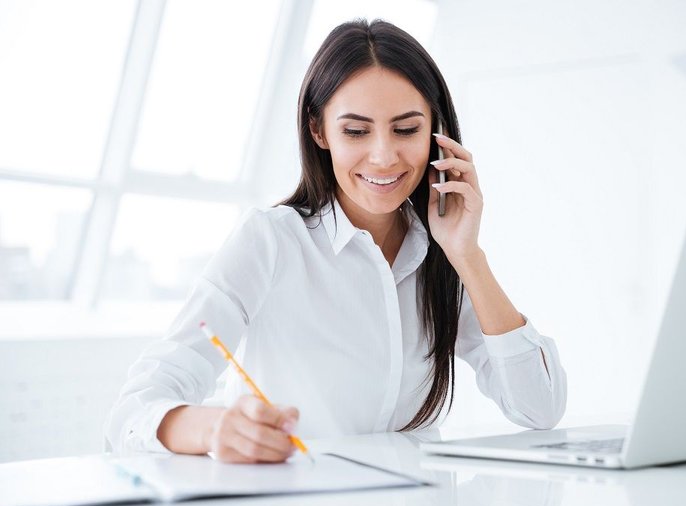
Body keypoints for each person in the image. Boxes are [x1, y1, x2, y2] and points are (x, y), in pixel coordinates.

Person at [105, 19, 566, 464]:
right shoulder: (271, 240)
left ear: (436, 134)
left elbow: (539, 409)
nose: (384, 156)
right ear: (318, 130)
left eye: (406, 129)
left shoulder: (444, 256)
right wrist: (214, 428)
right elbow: (132, 413)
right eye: (356, 131)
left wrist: (468, 256)